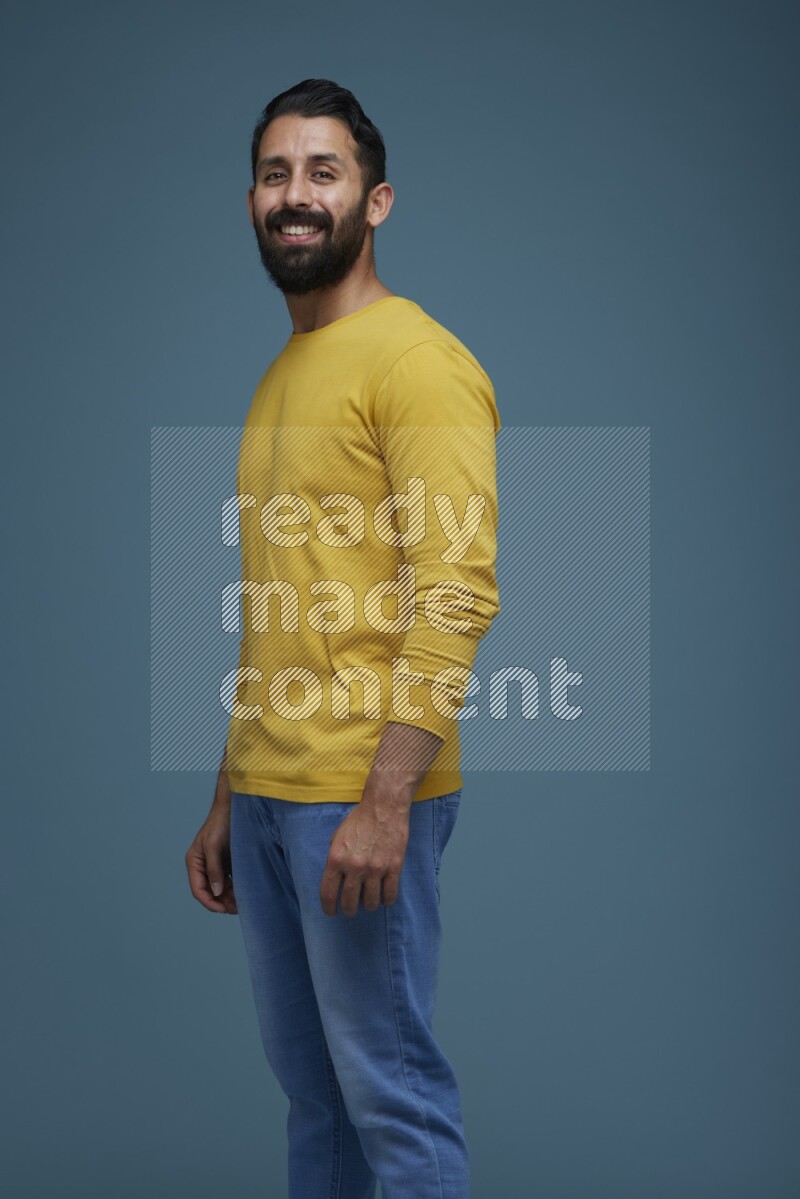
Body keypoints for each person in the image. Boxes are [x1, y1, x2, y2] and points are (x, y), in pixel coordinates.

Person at [185, 78, 501, 1199]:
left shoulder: (416, 362)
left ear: (375, 201)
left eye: (323, 171)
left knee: (389, 1094)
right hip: (272, 796)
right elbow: (278, 602)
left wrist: (381, 805)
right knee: (317, 1100)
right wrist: (231, 790)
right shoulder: (282, 375)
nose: (295, 194)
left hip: (360, 797)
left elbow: (455, 590)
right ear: (253, 201)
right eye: (276, 173)